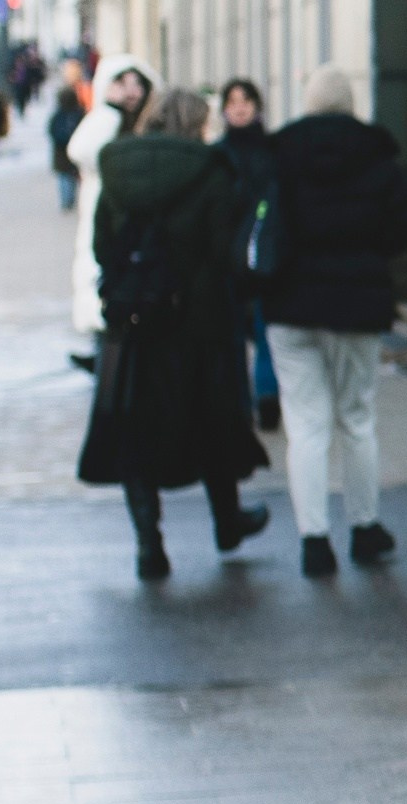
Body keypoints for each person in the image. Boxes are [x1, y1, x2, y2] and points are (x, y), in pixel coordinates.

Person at [76, 85, 270, 581]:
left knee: (135, 435)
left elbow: (102, 245)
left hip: (134, 327)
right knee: (211, 421)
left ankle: (149, 546)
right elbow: (224, 250)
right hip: (199, 325)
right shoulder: (211, 170)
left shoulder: (117, 169)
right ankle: (227, 521)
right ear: (196, 124)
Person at [265, 65, 407, 579]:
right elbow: (401, 233)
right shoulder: (376, 154)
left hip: (290, 305)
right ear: (350, 102)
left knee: (305, 425)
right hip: (355, 304)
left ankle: (314, 541)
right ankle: (365, 527)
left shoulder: (280, 152)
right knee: (356, 418)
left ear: (307, 102)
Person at [64, 52, 153, 346]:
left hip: (138, 222)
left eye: (136, 83)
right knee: (100, 280)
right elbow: (80, 150)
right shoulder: (104, 120)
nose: (130, 91)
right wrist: (110, 110)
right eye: (121, 83)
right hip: (104, 216)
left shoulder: (146, 124)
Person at [214, 76, 278, 433]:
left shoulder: (272, 150)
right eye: (233, 102)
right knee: (235, 334)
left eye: (246, 101)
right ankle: (241, 403)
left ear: (257, 107)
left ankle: (266, 399)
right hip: (229, 259)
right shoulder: (218, 153)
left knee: (265, 329)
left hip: (264, 255)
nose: (239, 108)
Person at [48, 60, 85, 212]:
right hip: (71, 150)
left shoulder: (58, 115)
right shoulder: (79, 113)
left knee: (64, 178)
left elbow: (51, 130)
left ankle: (66, 201)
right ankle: (70, 200)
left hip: (60, 152)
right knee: (70, 177)